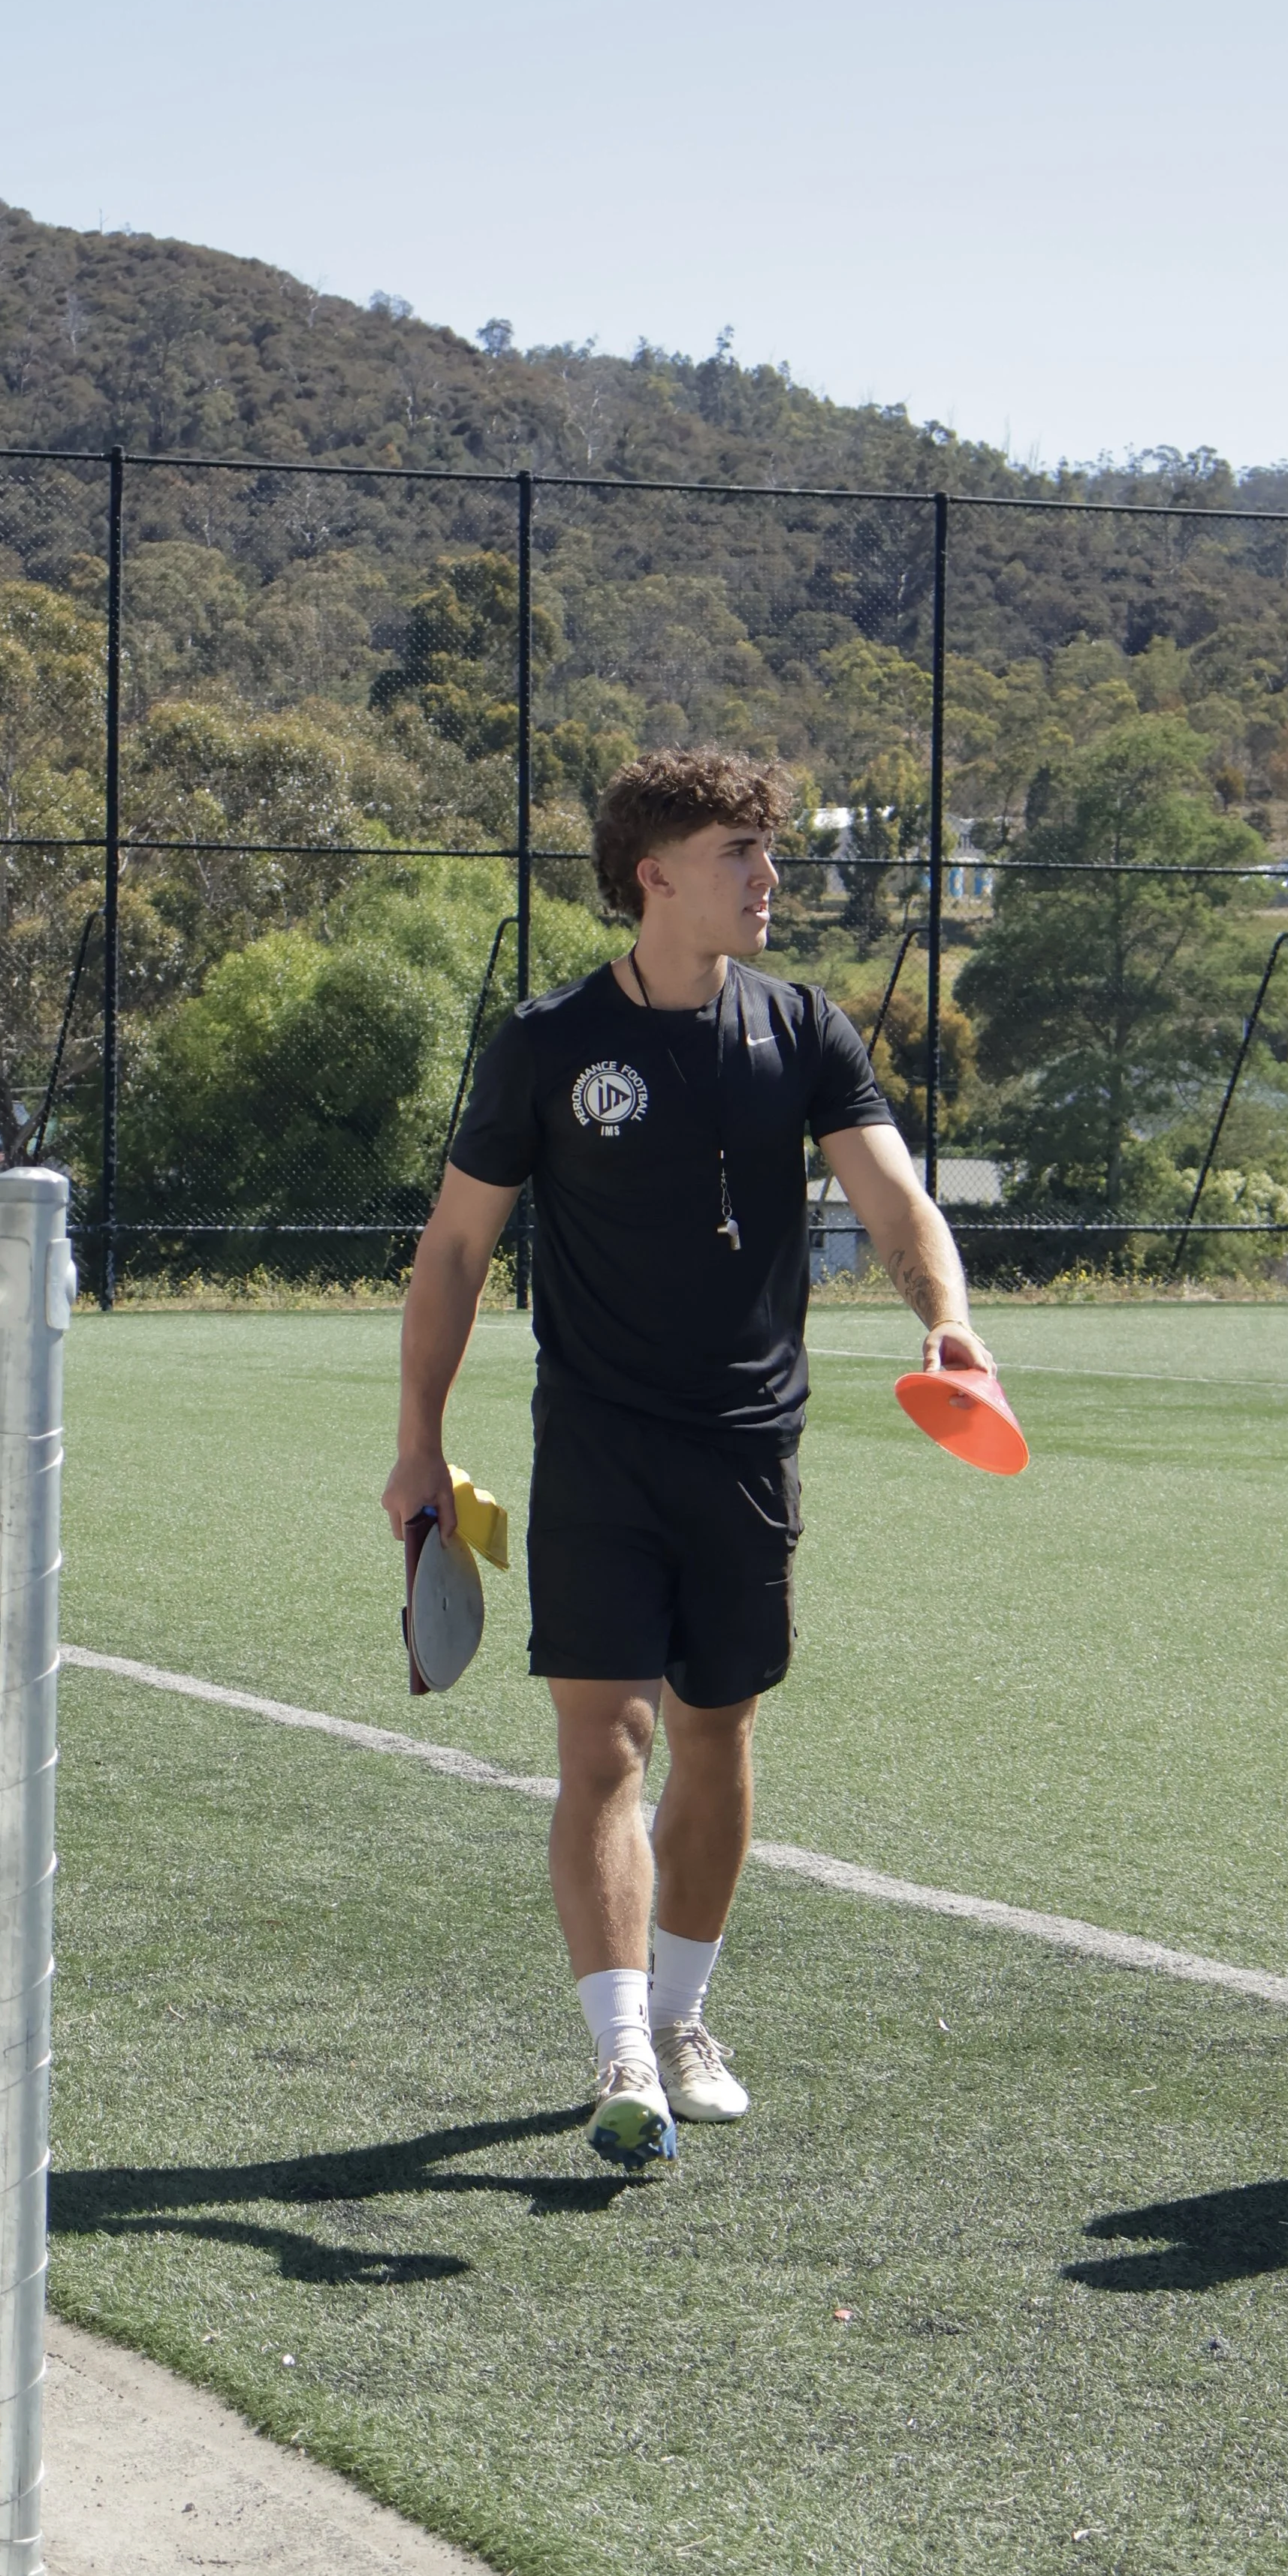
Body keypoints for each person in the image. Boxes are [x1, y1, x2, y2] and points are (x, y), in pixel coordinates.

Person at [381, 748, 993, 2170]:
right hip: (596, 1444)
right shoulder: (546, 1042)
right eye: (741, 853)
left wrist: (951, 1322)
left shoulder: (803, 1031)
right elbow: (456, 1249)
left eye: (769, 852)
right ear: (654, 875)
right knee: (607, 1743)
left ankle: (687, 2019)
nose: (770, 878)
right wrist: (420, 1444)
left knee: (717, 1733)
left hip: (747, 1448)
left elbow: (895, 1201)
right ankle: (620, 2052)